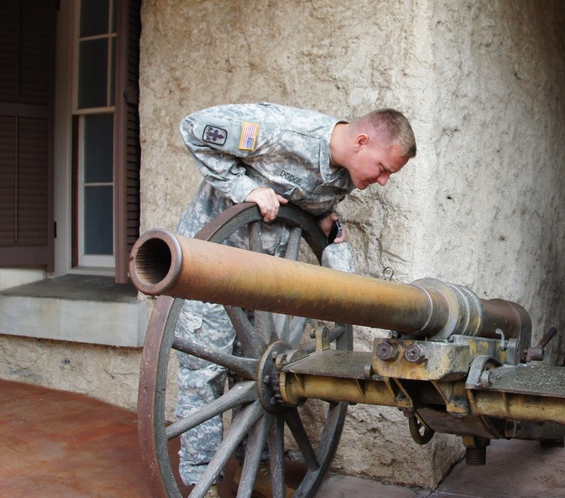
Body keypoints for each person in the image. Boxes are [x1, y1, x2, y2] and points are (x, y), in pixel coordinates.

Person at [173, 102, 417, 496]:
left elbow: (313, 209)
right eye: (384, 169)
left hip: (257, 281)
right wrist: (245, 189)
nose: (384, 180)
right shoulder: (283, 131)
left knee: (253, 378)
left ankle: (260, 468)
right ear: (360, 141)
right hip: (210, 268)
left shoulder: (343, 176)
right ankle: (203, 481)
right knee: (204, 377)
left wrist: (333, 246)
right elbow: (194, 127)